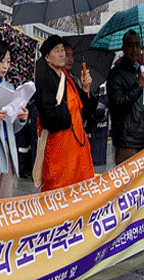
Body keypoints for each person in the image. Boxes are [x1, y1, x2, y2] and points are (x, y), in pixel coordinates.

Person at [34, 35, 97, 192]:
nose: (62, 54)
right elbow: (48, 119)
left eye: (64, 50)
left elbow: (86, 111)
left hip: (77, 152)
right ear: (47, 57)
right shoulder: (44, 80)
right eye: (58, 51)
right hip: (60, 153)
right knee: (59, 196)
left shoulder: (69, 79)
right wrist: (67, 107)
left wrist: (86, 90)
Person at [0, 39, 29, 199]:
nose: (5, 66)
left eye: (8, 61)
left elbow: (12, 126)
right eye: (1, 61)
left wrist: (21, 118)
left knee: (5, 202)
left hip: (8, 149)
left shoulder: (10, 88)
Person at [107, 30, 144, 165]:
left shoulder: (140, 70)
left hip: (141, 138)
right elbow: (118, 104)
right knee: (129, 185)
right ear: (123, 48)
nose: (135, 49)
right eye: (130, 45)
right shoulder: (116, 74)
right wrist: (138, 86)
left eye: (137, 45)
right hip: (127, 142)